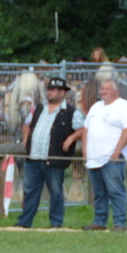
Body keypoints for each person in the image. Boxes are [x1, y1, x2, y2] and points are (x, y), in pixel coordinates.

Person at [14, 75, 83, 229]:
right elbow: (26, 123)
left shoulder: (71, 112)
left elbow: (83, 128)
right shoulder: (38, 108)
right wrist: (26, 138)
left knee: (56, 192)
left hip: (54, 159)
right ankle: (25, 222)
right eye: (49, 89)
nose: (50, 92)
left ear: (62, 93)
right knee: (30, 191)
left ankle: (56, 223)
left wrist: (71, 139)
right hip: (33, 157)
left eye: (54, 90)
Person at [78, 76, 127, 231]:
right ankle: (99, 221)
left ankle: (119, 222)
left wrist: (118, 150)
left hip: (112, 157)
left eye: (106, 89)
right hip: (94, 157)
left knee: (115, 190)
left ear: (116, 91)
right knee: (99, 193)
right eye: (102, 89)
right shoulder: (95, 107)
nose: (103, 91)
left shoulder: (125, 106)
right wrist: (85, 149)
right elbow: (86, 128)